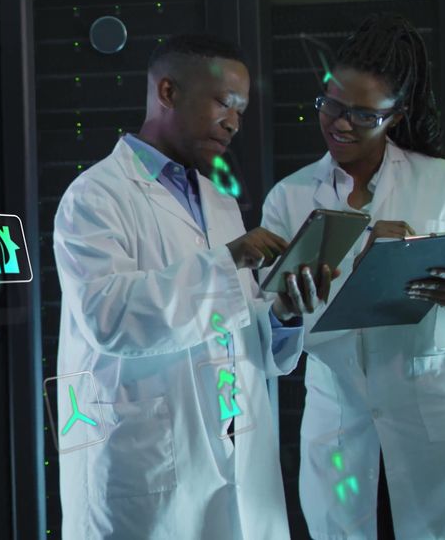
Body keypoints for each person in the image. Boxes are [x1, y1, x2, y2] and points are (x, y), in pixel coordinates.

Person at [54, 33, 335, 539]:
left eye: (242, 110)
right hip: (148, 468)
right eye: (223, 103)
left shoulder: (218, 201)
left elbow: (231, 328)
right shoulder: (94, 197)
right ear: (168, 93)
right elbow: (109, 318)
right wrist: (229, 262)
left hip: (232, 456)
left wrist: (281, 316)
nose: (234, 121)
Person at [261, 13, 445, 539]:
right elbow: (265, 326)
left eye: (363, 116)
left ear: (397, 114)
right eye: (331, 105)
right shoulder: (291, 197)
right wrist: (285, 309)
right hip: (338, 417)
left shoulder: (443, 182)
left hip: (435, 411)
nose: (340, 124)